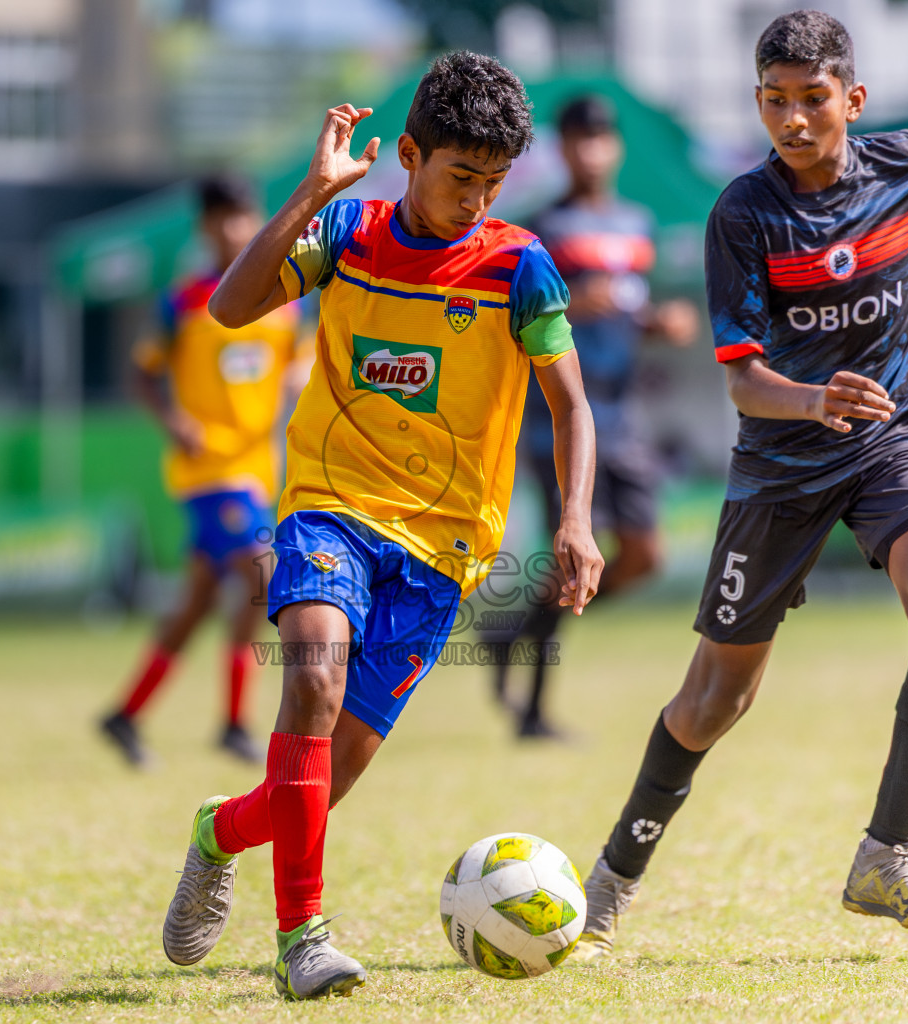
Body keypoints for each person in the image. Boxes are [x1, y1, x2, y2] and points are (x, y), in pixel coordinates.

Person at [574, 10, 908, 958]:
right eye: (774, 102)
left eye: (812, 100)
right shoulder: (744, 214)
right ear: (759, 104)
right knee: (716, 697)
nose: (793, 120)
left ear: (853, 101)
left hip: (891, 436)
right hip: (783, 462)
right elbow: (744, 379)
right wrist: (810, 397)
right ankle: (611, 881)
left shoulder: (902, 162)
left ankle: (887, 854)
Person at [157, 52, 603, 1000]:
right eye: (458, 177)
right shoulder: (347, 233)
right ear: (408, 154)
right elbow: (234, 307)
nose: (475, 199)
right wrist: (312, 190)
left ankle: (218, 831)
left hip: (446, 547)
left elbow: (569, 405)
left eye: (493, 181)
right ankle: (301, 941)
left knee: (323, 781)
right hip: (331, 506)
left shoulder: (520, 264)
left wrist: (574, 519)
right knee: (311, 676)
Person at [485, 94, 698, 739]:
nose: (590, 151)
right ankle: (534, 712)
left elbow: (636, 308)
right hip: (555, 410)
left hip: (620, 409)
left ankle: (513, 633)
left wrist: (662, 322)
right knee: (571, 556)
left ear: (616, 149)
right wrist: (574, 306)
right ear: (562, 148)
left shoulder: (635, 223)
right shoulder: (536, 228)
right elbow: (511, 319)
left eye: (601, 140)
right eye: (578, 140)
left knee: (643, 555)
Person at [98, 174, 307, 769]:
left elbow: (304, 355)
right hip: (208, 470)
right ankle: (244, 722)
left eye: (247, 216)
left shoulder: (283, 296)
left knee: (197, 604)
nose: (238, 229)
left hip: (256, 467)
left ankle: (128, 714)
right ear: (206, 225)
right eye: (225, 218)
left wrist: (297, 377)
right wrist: (173, 421)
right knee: (264, 575)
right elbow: (141, 372)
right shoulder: (184, 302)